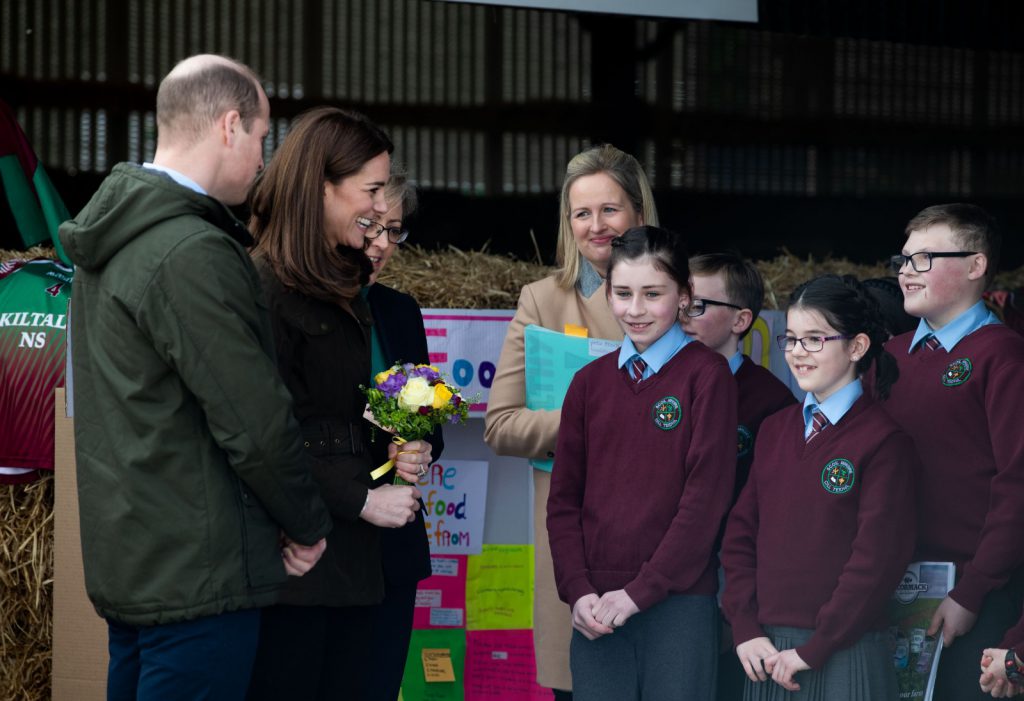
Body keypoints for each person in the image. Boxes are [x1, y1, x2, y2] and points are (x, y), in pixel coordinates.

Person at [57, 54, 332, 701]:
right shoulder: (190, 251)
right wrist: (306, 519)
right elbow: (253, 419)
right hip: (198, 575)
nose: (265, 160)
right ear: (230, 125)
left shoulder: (111, 237)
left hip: (136, 559)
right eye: (264, 137)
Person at [245, 107, 431, 700]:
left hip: (369, 560)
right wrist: (363, 498)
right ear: (322, 187)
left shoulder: (359, 295)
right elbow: (265, 433)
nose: (380, 213)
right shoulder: (264, 289)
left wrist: (416, 441)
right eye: (372, 192)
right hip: (302, 562)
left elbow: (405, 406)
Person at [484, 143, 658, 698]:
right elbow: (501, 424)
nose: (595, 226)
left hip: (662, 536)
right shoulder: (541, 300)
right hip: (577, 539)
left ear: (638, 213)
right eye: (581, 213)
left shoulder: (686, 297)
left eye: (609, 210)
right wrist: (591, 418)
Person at [547, 226, 737, 701]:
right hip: (596, 612)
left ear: (684, 296)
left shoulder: (706, 376)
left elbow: (705, 500)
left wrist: (640, 592)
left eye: (652, 294)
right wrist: (578, 590)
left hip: (678, 603)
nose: (635, 310)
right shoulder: (588, 384)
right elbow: (564, 500)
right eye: (623, 293)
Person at [721, 274, 917, 700]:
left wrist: (818, 646)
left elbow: (877, 560)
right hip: (767, 651)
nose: (796, 353)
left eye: (814, 339)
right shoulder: (774, 429)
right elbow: (739, 536)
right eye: (790, 339)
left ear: (857, 346)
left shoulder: (884, 441)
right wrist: (745, 627)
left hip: (846, 648)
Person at [882, 203, 1024, 701]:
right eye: (902, 260)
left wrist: (973, 590)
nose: (905, 272)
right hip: (889, 590)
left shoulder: (1002, 355)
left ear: (976, 265)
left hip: (974, 594)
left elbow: (1016, 483)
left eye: (923, 259)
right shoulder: (890, 357)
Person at [680, 252, 796, 700]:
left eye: (699, 306)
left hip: (731, 581)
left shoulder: (772, 401)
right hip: (662, 578)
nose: (683, 316)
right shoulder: (659, 386)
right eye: (680, 302)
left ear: (741, 319)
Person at [361, 171, 446, 701]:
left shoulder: (399, 311)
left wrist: (419, 447)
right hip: (325, 537)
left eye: (394, 230)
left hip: (392, 547)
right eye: (370, 226)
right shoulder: (288, 303)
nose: (381, 245)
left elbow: (428, 416)